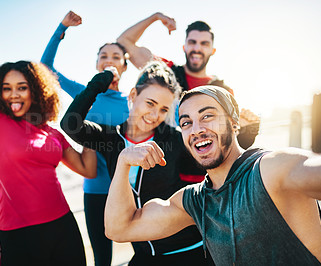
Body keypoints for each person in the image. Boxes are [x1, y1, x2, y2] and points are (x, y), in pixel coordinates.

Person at [104, 85, 321, 265]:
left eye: (208, 116)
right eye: (186, 122)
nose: (197, 129)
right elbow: (119, 229)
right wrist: (123, 161)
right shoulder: (194, 201)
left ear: (234, 122)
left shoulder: (270, 168)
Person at [0, 48, 98, 265]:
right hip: (18, 233)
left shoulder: (51, 132)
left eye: (22, 88)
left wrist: (90, 120)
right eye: (6, 88)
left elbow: (87, 169)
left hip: (63, 225)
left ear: (36, 90)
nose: (13, 94)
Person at [61, 61, 213, 266]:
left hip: (190, 250)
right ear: (133, 96)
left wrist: (245, 135)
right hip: (145, 252)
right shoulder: (111, 139)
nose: (154, 115)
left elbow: (212, 163)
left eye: (163, 109)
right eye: (150, 103)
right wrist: (101, 81)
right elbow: (70, 124)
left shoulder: (174, 140)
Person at [41, 11, 129, 266]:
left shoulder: (133, 101)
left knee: (143, 249)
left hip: (128, 190)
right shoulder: (85, 92)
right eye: (104, 56)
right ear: (97, 64)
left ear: (124, 66)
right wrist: (61, 28)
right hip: (95, 191)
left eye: (116, 56)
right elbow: (45, 68)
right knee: (102, 257)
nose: (109, 60)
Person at [117, 12, 260, 154]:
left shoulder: (222, 90)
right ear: (184, 47)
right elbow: (124, 41)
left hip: (204, 171)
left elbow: (231, 143)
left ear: (213, 50)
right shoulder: (167, 75)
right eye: (192, 42)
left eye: (204, 44)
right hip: (166, 167)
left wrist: (247, 131)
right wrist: (155, 17)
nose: (197, 48)